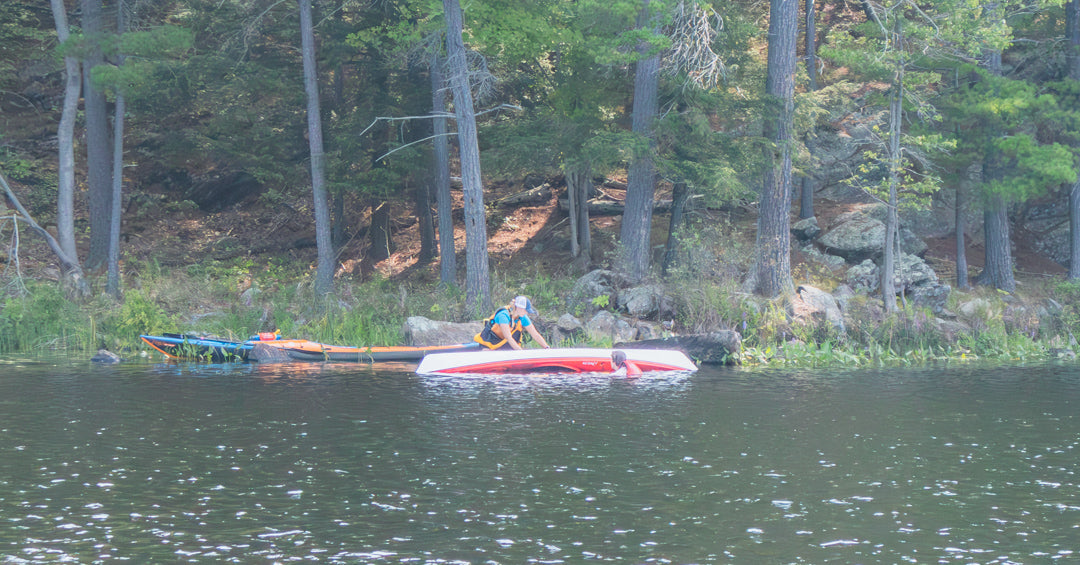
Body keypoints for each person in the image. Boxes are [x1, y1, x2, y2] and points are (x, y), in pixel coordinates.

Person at [474, 296, 551, 350]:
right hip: (489, 344)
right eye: (525, 310)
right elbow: (508, 338)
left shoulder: (522, 317)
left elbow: (535, 335)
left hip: (502, 346)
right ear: (518, 308)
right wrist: (521, 353)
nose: (527, 313)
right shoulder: (503, 315)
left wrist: (547, 348)